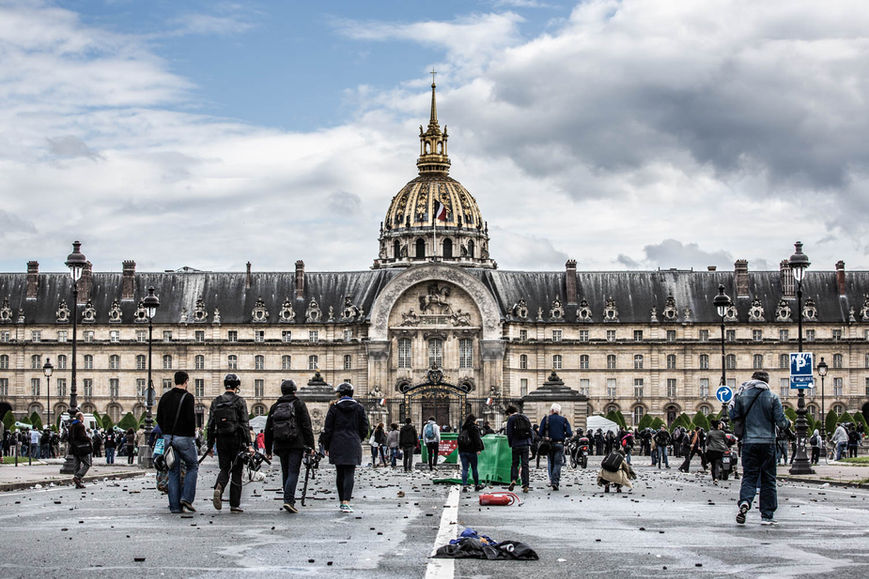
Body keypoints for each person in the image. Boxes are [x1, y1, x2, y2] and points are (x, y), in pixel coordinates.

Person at [730, 371, 790, 526]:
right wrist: (788, 423)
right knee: (768, 479)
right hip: (768, 443)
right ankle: (767, 515)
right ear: (767, 381)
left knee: (749, 476)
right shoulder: (772, 397)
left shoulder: (742, 396)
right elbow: (781, 422)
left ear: (752, 380)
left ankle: (745, 501)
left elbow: (733, 416)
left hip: (748, 442)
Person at [264, 379, 315, 514]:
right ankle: (288, 500)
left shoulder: (275, 406)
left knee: (285, 472)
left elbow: (268, 428)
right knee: (293, 472)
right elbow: (306, 426)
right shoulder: (299, 404)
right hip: (296, 443)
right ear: (294, 391)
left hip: (280, 444)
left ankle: (287, 499)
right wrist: (311, 446)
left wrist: (268, 449)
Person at [206, 373, 254, 513]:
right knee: (237, 471)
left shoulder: (216, 401)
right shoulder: (240, 401)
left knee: (224, 468)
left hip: (221, 439)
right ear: (237, 386)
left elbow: (210, 425)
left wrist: (210, 445)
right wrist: (249, 444)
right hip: (237, 439)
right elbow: (245, 424)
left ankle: (219, 486)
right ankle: (234, 504)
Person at [320, 382, 369, 514]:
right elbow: (365, 428)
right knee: (349, 473)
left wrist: (327, 445)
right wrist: (358, 438)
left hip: (337, 442)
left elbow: (328, 428)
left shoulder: (334, 408)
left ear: (339, 394)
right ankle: (347, 502)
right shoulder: (359, 408)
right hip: (353, 442)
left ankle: (342, 501)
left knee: (340, 473)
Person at [156, 370, 199, 514]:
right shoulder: (188, 397)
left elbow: (159, 418)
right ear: (186, 381)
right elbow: (190, 419)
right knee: (192, 466)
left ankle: (174, 506)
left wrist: (167, 432)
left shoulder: (165, 397)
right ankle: (186, 499)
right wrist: (192, 436)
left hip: (169, 438)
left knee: (173, 470)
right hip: (184, 437)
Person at [540, 403, 572, 491]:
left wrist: (546, 436)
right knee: (558, 464)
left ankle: (552, 480)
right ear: (559, 411)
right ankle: (555, 482)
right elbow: (569, 433)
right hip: (559, 444)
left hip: (549, 444)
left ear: (552, 410)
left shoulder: (546, 418)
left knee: (551, 462)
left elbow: (540, 432)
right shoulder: (564, 419)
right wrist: (562, 435)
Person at [505, 405, 532, 493]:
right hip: (525, 444)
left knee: (515, 463)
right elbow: (530, 430)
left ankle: (513, 479)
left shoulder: (511, 419)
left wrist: (510, 443)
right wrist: (530, 442)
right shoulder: (525, 417)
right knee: (525, 465)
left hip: (516, 444)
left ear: (509, 413)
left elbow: (509, 433)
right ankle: (526, 484)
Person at [458, 414, 485, 492]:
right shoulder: (474, 428)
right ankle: (476, 485)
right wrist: (478, 449)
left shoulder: (463, 428)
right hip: (472, 451)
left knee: (465, 469)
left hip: (463, 451)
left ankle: (464, 485)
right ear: (473, 420)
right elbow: (477, 439)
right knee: (474, 468)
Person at [68, 412, 92, 488]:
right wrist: (88, 439)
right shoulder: (80, 426)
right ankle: (78, 477)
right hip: (81, 448)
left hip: (74, 448)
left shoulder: (71, 426)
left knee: (76, 465)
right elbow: (82, 437)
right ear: (81, 417)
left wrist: (73, 444)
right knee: (87, 464)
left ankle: (77, 484)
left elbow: (69, 438)